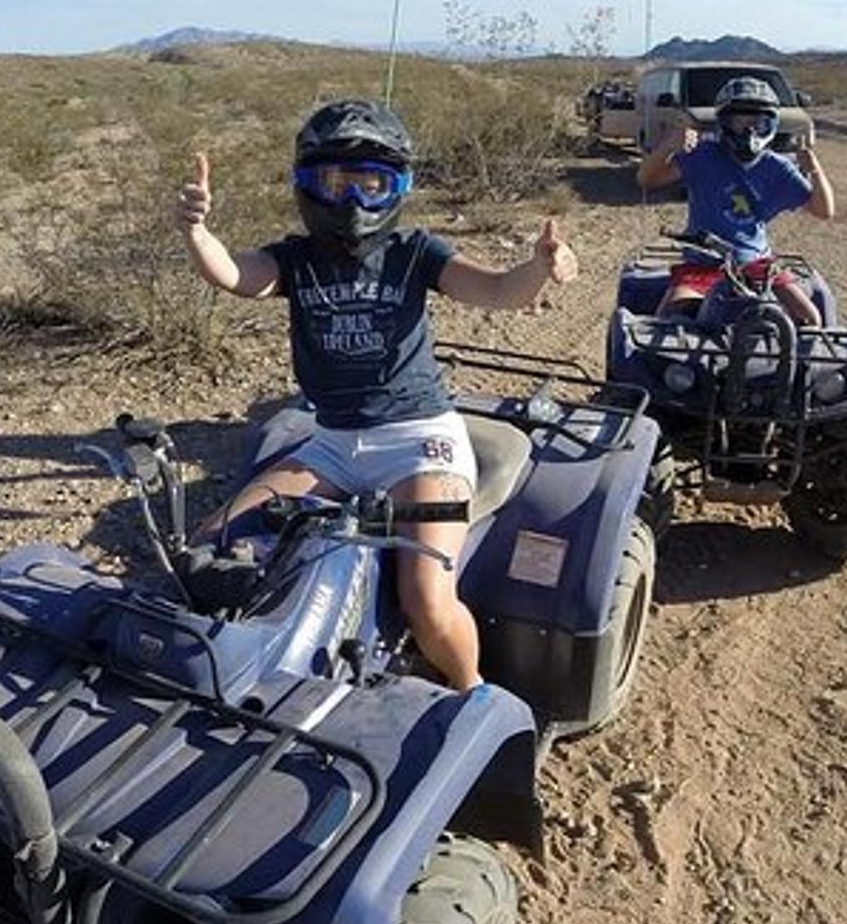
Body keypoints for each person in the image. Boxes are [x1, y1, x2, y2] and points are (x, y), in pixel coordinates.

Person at [172, 99, 577, 691]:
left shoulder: (414, 252)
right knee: (214, 545)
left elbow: (495, 290)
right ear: (307, 186)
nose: (352, 201)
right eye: (334, 182)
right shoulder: (297, 259)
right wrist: (197, 232)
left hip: (421, 444)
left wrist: (539, 268)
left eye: (371, 183)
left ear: (398, 189)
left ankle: (472, 694)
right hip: (333, 445)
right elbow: (237, 274)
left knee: (427, 601)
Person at [636, 76, 835, 326]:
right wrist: (670, 146)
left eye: (758, 122)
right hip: (703, 263)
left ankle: (790, 365)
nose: (748, 130)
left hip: (758, 264)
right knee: (670, 318)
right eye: (738, 121)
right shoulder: (703, 156)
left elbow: (824, 211)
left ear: (770, 124)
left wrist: (814, 170)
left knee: (809, 318)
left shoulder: (777, 168)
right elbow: (646, 179)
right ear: (723, 123)